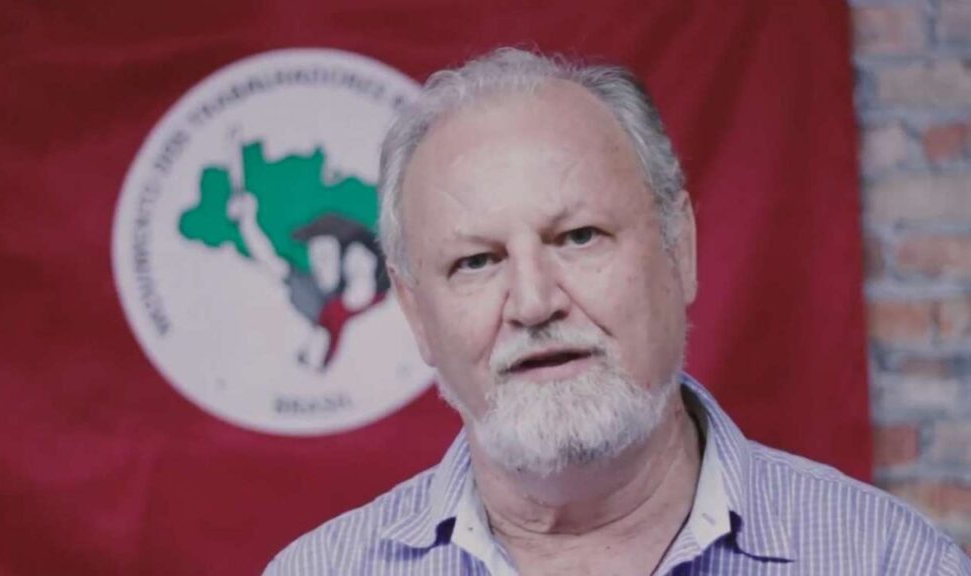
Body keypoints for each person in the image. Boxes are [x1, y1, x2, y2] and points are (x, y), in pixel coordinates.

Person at [263, 48, 971, 575]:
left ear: (679, 249)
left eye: (579, 237)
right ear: (417, 314)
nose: (534, 302)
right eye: (476, 261)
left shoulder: (886, 559)